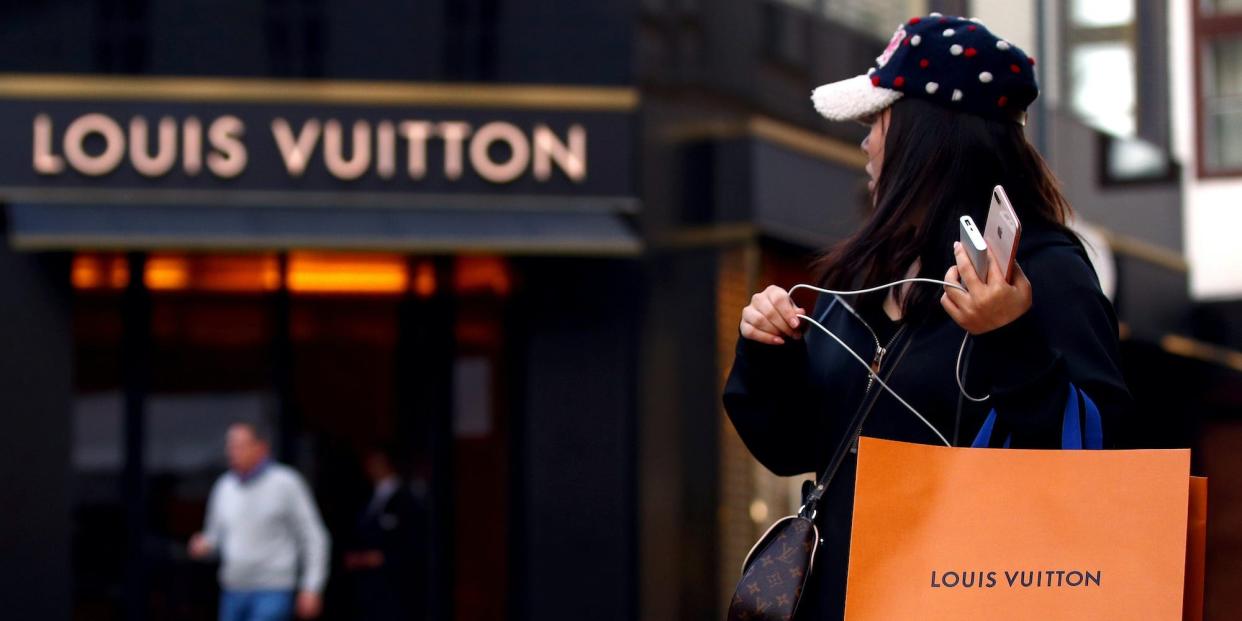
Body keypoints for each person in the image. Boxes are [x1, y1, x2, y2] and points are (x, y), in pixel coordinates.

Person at [723, 13, 1132, 620]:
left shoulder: (1043, 271)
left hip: (978, 596)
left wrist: (1010, 339)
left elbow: (1105, 463)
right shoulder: (867, 271)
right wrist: (767, 352)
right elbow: (792, 448)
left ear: (925, 131)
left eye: (876, 121)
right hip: (844, 597)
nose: (865, 142)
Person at [188, 422, 331, 621]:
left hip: (273, 590)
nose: (232, 452)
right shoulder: (224, 487)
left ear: (261, 448)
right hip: (232, 591)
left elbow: (313, 536)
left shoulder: (286, 483)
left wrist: (312, 586)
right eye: (230, 446)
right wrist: (204, 545)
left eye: (239, 446)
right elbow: (215, 537)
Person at [343, 447, 426, 621]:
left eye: (376, 463)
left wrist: (384, 558)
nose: (371, 468)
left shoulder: (405, 499)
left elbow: (412, 541)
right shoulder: (367, 496)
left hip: (396, 585)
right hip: (367, 585)